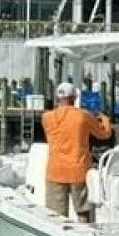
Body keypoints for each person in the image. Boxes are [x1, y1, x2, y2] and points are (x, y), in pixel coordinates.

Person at [42, 82, 112, 222]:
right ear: (74, 97)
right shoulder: (83, 116)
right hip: (78, 170)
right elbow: (104, 134)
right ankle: (84, 235)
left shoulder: (47, 118)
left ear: (57, 99)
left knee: (56, 216)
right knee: (83, 212)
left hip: (55, 171)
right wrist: (104, 119)